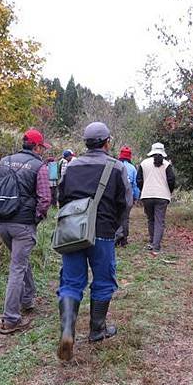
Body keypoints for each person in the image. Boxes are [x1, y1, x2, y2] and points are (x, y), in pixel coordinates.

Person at [56, 122, 133, 361]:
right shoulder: (116, 167)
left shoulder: (71, 166)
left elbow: (62, 197)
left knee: (70, 282)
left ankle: (68, 331)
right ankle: (97, 330)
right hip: (103, 233)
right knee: (102, 280)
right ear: (107, 142)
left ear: (86, 143)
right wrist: (116, 228)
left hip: (73, 233)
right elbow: (126, 202)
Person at [0, 128, 52, 334]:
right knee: (17, 267)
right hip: (23, 224)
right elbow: (45, 198)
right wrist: (35, 219)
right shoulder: (39, 166)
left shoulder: (4, 161)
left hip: (1, 222)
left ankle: (28, 298)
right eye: (42, 147)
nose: (43, 150)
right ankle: (11, 319)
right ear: (37, 146)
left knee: (19, 262)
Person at [136, 142, 175, 256]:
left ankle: (152, 242)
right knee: (159, 221)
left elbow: (139, 180)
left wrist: (144, 189)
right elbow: (171, 180)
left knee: (150, 219)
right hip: (162, 196)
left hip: (147, 195)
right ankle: (156, 247)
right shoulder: (167, 165)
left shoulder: (144, 163)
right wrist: (169, 191)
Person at [114, 146, 140, 247]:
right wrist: (135, 197)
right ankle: (124, 239)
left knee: (116, 216)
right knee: (125, 217)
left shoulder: (115, 165)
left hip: (116, 195)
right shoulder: (132, 168)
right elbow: (135, 185)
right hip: (128, 195)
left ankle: (116, 236)